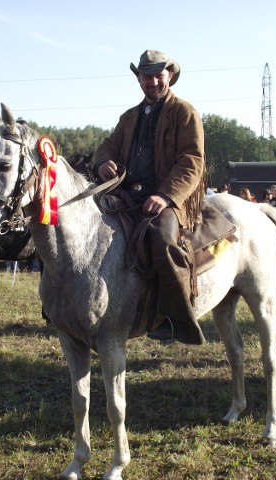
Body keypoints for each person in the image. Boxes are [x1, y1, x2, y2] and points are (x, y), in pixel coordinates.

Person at [92, 49, 206, 345]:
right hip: (128, 193)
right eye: (147, 76)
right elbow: (107, 147)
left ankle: (175, 318)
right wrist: (103, 162)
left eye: (159, 75)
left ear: (170, 75)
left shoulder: (184, 112)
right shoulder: (129, 117)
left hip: (170, 197)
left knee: (162, 238)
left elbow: (192, 160)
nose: (153, 81)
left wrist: (166, 196)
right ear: (138, 78)